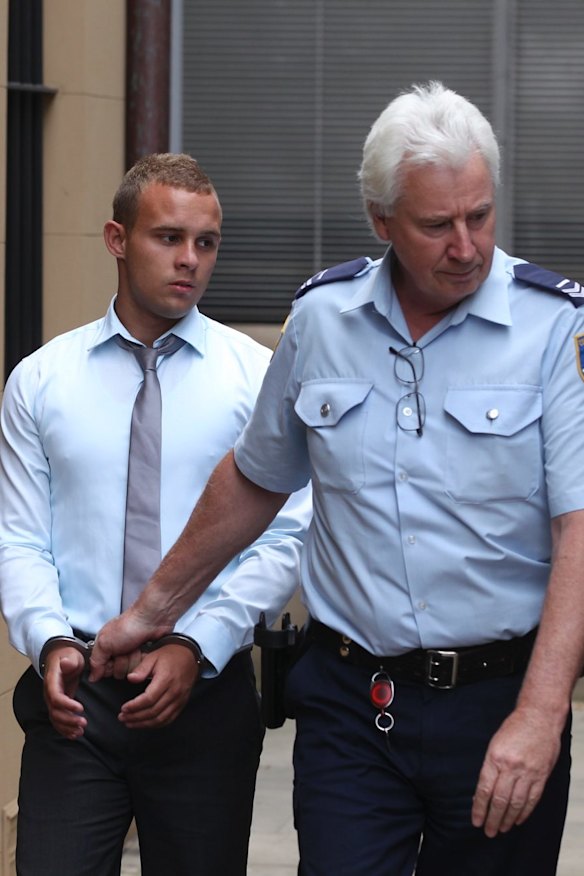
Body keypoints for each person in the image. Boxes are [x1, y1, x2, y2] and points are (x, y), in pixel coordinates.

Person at [90, 83, 584, 876]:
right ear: (380, 221)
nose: (467, 245)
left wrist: (542, 712)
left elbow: (579, 533)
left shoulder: (557, 328)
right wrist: (150, 612)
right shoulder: (323, 319)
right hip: (353, 708)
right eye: (437, 225)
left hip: (498, 704)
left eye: (480, 215)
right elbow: (256, 481)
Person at [0, 153, 310, 876]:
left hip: (204, 690)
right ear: (117, 238)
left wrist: (197, 643)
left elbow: (289, 530)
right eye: (168, 237)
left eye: (206, 243)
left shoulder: (253, 377)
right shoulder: (42, 381)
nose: (190, 261)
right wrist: (49, 642)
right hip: (78, 693)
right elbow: (19, 536)